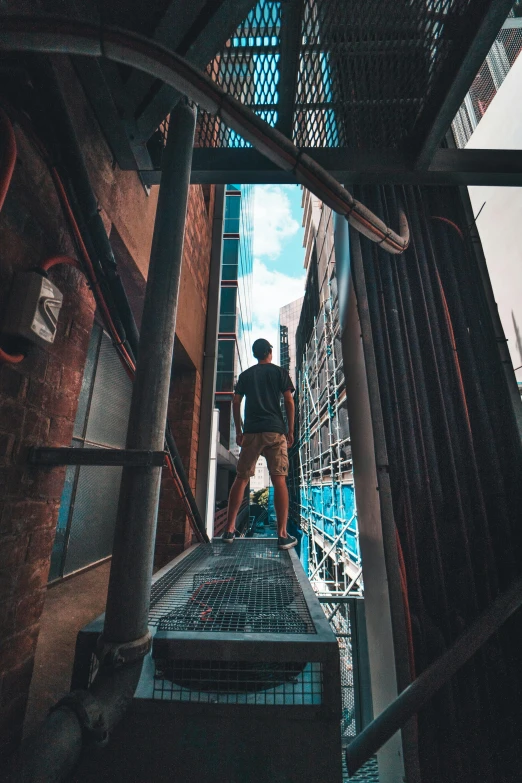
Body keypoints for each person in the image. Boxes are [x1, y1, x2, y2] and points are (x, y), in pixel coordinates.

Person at [222, 338, 297, 550]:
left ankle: (228, 530)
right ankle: (282, 536)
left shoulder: (246, 376)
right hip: (275, 431)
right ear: (270, 352)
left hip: (252, 432)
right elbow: (289, 401)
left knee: (241, 478)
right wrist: (290, 430)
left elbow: (235, 402)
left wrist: (239, 429)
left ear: (256, 354)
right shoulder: (280, 373)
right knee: (279, 480)